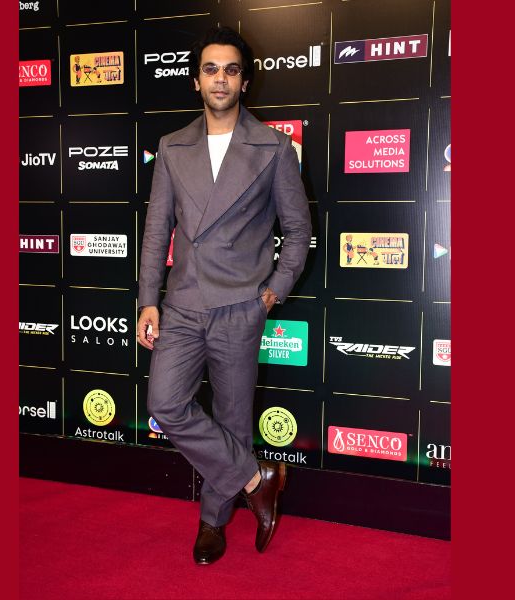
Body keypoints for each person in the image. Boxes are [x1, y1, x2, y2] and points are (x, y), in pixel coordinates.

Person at [136, 26, 312, 565]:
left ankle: (213, 521)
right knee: (165, 403)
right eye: (210, 69)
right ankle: (257, 479)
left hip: (240, 305)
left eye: (231, 70)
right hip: (184, 303)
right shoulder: (172, 147)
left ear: (244, 81)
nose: (220, 79)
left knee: (234, 420)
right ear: (196, 80)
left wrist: (272, 293)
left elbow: (298, 230)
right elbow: (157, 229)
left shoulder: (274, 148)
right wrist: (148, 299)